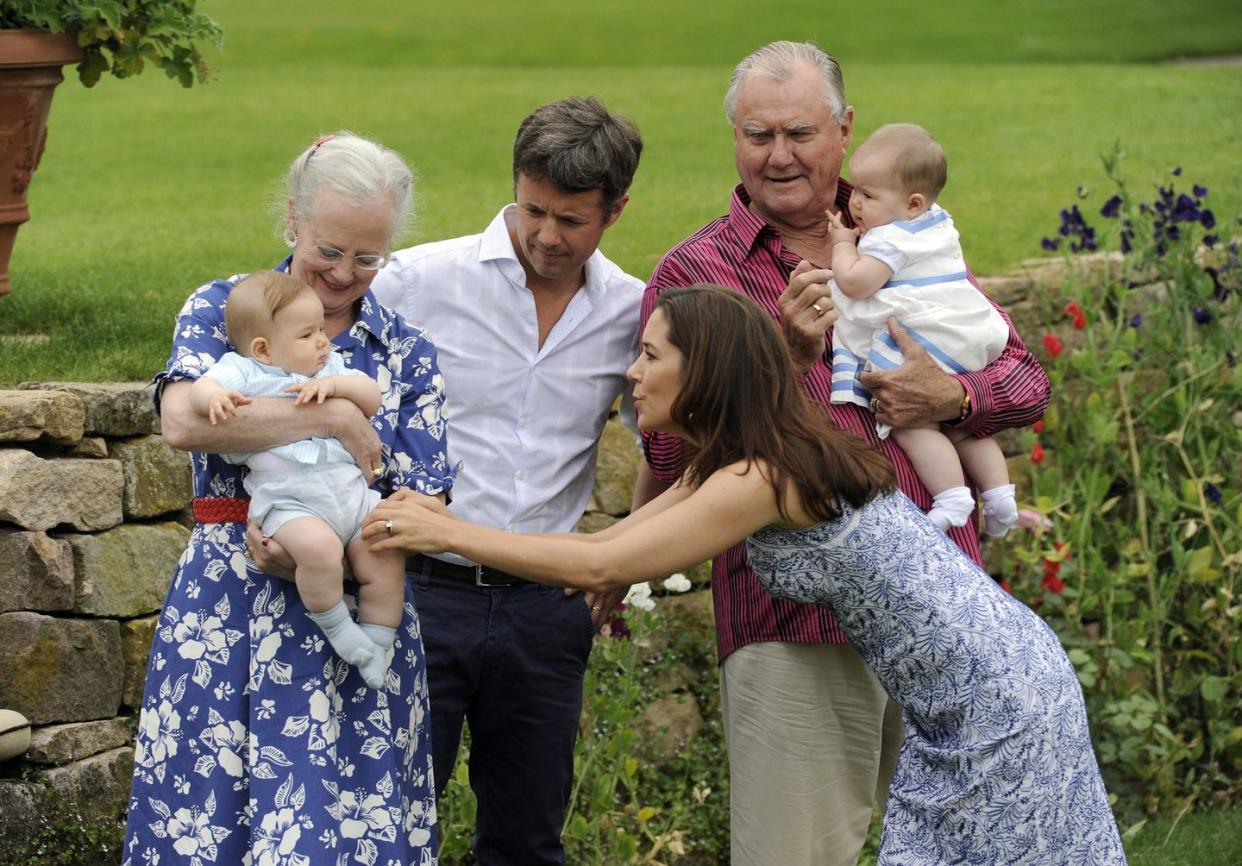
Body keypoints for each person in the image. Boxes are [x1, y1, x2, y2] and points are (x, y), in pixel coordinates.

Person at [364, 285, 1127, 866]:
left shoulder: (763, 475)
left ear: (706, 372)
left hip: (997, 697)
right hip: (978, 686)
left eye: (653, 355)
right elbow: (623, 540)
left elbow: (606, 563)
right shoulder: (733, 461)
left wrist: (447, 532)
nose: (633, 371)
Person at [633, 41, 1051, 866]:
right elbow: (674, 446)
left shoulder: (911, 242)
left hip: (939, 602)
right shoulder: (698, 273)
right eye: (756, 135)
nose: (778, 155)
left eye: (799, 132)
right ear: (733, 139)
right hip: (796, 626)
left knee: (968, 851)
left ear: (845, 129)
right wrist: (782, 359)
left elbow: (1023, 376)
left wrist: (954, 397)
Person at [123, 132, 454, 866]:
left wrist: (337, 544)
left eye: (368, 258)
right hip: (228, 608)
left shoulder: (405, 351)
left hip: (359, 622)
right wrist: (331, 416)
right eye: (328, 250)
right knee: (208, 823)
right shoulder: (224, 310)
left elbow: (427, 500)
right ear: (292, 222)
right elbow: (182, 421)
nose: (343, 274)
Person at [370, 96, 644, 865]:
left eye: (573, 220)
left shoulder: (630, 311)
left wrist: (625, 557)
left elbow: (672, 444)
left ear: (616, 210)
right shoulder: (415, 282)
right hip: (420, 593)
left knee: (527, 841)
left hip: (544, 607)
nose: (548, 236)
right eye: (534, 210)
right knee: (387, 829)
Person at [191, 271, 406, 689]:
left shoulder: (333, 367)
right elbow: (202, 388)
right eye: (309, 334)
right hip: (292, 501)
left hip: (351, 495)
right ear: (264, 349)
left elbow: (371, 398)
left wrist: (334, 385)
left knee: (385, 551)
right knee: (320, 551)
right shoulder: (246, 372)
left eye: (323, 330)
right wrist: (214, 398)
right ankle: (342, 631)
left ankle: (379, 643)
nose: (324, 341)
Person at [827, 123, 1017, 537]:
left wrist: (842, 245)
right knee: (962, 426)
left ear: (913, 203)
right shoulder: (936, 224)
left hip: (927, 339)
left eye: (867, 195)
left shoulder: (890, 239)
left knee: (913, 422)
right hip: (964, 337)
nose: (854, 203)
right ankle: (1001, 494)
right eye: (856, 190)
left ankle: (952, 496)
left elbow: (857, 283)